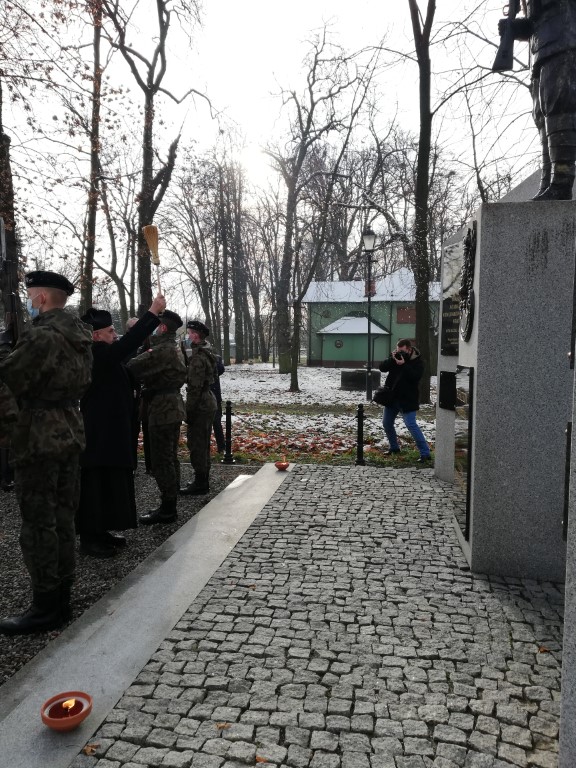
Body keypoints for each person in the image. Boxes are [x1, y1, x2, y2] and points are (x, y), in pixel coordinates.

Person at [0, 270, 93, 634]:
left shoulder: (41, 337)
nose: (28, 300)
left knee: (39, 523)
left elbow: (11, 378)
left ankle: (45, 607)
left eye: (30, 294)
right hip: (69, 428)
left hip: (38, 434)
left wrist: (7, 349)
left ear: (40, 298)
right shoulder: (79, 336)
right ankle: (63, 597)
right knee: (64, 517)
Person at [77, 295, 165, 558]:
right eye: (110, 331)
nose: (115, 335)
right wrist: (152, 313)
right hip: (98, 436)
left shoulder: (106, 355)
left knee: (109, 485)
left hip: (112, 434)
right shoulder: (95, 354)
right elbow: (128, 343)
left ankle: (102, 530)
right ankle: (90, 538)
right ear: (95, 336)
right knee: (96, 486)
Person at [496, 0, 576, 200]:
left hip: (564, 44)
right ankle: (548, 180)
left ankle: (561, 182)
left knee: (559, 111)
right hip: (542, 53)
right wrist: (515, 28)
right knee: (543, 119)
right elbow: (538, 21)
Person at [127, 310, 187, 524]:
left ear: (162, 328)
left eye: (155, 326)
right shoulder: (174, 347)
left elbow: (131, 366)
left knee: (162, 460)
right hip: (171, 406)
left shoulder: (162, 350)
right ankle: (170, 503)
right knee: (170, 457)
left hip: (162, 409)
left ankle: (168, 508)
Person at [179, 320, 218, 496]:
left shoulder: (198, 358)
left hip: (201, 403)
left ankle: (201, 482)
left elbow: (194, 388)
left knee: (197, 444)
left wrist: (188, 412)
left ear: (195, 335)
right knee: (203, 443)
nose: (188, 337)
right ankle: (202, 479)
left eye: (189, 333)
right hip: (208, 400)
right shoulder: (207, 352)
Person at [378, 338, 431, 463]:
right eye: (398, 351)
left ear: (409, 349)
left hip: (408, 399)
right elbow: (382, 368)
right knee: (386, 423)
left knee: (411, 425)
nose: (400, 353)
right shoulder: (395, 358)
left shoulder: (417, 361)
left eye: (402, 351)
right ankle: (394, 447)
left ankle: (425, 453)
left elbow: (415, 377)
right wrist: (392, 359)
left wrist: (404, 365)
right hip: (392, 398)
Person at [212, 353, 225, 453]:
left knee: (216, 423)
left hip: (213, 396)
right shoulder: (215, 360)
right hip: (214, 395)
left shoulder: (214, 361)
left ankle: (221, 447)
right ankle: (221, 448)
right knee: (216, 423)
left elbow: (220, 369)